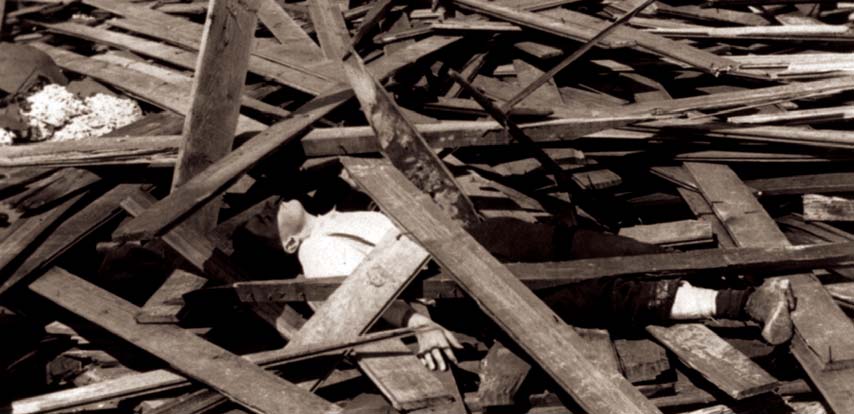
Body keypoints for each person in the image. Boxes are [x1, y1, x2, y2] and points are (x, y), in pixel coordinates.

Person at [275, 199, 796, 372]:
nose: (272, 206)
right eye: (264, 218)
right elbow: (370, 291)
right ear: (288, 243)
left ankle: (742, 277)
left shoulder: (340, 211)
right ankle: (743, 303)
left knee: (596, 247)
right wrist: (420, 324)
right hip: (449, 280)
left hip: (474, 239)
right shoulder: (317, 254)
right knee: (587, 292)